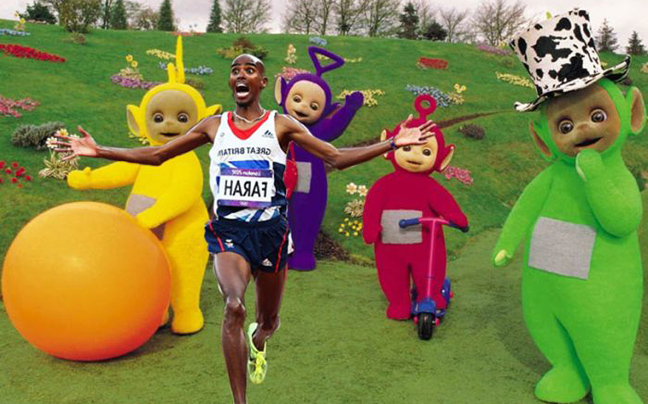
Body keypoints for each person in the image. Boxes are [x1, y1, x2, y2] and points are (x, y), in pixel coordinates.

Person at [55, 54, 437, 404]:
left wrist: (392, 144)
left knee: (267, 320)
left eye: (249, 70)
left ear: (261, 82)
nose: (241, 75)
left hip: (271, 233)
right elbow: (156, 155)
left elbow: (335, 157)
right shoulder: (213, 126)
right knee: (234, 306)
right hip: (230, 231)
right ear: (231, 82)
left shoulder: (281, 124)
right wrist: (100, 150)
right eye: (235, 70)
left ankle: (261, 338)